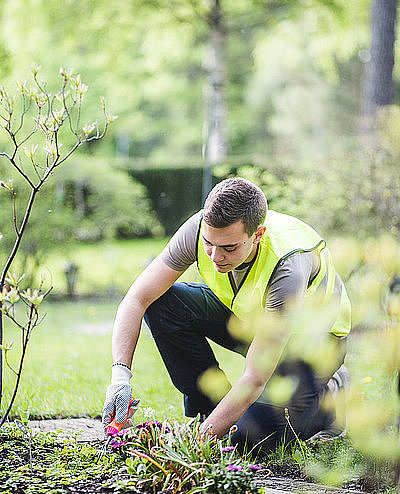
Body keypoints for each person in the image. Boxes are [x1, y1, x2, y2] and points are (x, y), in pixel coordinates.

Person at [102, 177, 351, 452]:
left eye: (229, 248)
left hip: (312, 344)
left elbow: (255, 378)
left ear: (257, 234)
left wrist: (194, 444)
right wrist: (120, 379)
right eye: (210, 243)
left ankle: (331, 397)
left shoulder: (287, 264)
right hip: (251, 320)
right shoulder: (199, 230)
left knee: (250, 438)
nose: (214, 255)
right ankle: (209, 410)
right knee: (165, 303)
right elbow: (137, 299)